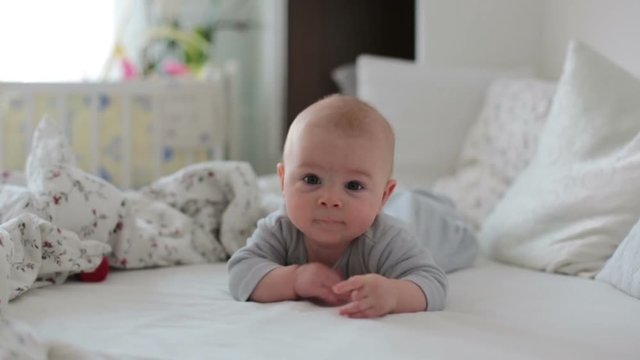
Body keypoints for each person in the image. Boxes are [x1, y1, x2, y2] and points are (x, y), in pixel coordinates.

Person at [228, 94, 447, 318]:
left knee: (437, 219)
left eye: (353, 185)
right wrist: (294, 279)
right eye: (312, 179)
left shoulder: (388, 239)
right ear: (283, 181)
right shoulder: (280, 228)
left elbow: (433, 283)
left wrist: (395, 294)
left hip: (431, 227)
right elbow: (241, 272)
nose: (330, 199)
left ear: (383, 196)